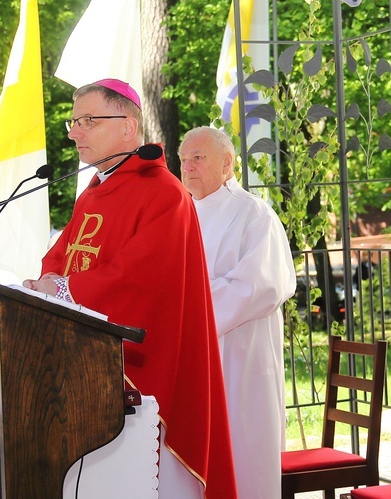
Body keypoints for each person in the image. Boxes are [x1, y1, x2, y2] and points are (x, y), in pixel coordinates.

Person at [22, 80, 237, 498]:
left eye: (87, 121)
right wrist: (43, 283)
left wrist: (65, 289)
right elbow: (62, 253)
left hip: (143, 374)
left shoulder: (165, 194)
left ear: (127, 127)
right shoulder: (95, 192)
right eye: (73, 121)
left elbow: (139, 281)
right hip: (83, 366)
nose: (73, 132)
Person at [179, 126, 296, 498]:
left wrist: (188, 311)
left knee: (244, 457)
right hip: (195, 360)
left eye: (198, 158)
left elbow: (261, 284)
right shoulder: (181, 215)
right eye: (183, 160)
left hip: (242, 357)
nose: (188, 167)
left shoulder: (254, 214)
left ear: (227, 163)